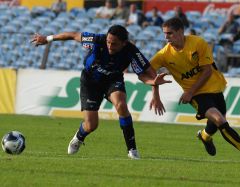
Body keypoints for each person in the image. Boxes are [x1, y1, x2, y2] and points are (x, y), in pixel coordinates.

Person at [31, 25, 170, 159]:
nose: (109, 45)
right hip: (90, 82)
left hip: (112, 80)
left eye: (114, 44)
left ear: (124, 43)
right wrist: (47, 39)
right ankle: (79, 137)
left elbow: (150, 75)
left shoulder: (132, 51)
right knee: (91, 125)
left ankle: (132, 150)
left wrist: (154, 89)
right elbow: (72, 35)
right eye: (108, 41)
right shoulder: (97, 39)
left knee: (121, 105)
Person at [149, 17, 240, 159]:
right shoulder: (163, 55)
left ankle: (204, 136)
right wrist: (156, 93)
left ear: (181, 31)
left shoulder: (198, 43)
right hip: (196, 94)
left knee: (215, 123)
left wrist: (189, 91)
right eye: (164, 33)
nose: (166, 37)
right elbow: (147, 72)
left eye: (170, 33)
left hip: (214, 87)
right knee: (220, 120)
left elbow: (207, 70)